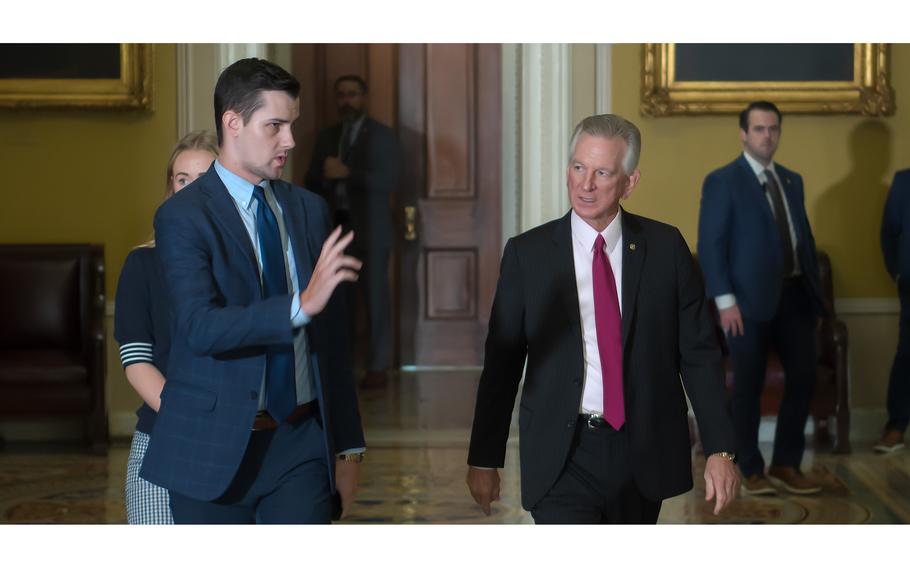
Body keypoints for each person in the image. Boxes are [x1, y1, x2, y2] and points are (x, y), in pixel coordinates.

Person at [466, 114, 739, 524]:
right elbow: (502, 365)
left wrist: (720, 450)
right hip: (562, 453)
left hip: (643, 451)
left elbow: (699, 354)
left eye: (602, 172)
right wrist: (484, 458)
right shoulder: (528, 255)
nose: (585, 184)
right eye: (578, 167)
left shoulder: (666, 249)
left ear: (629, 182)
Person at [140, 58, 365, 524]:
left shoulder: (309, 210)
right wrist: (297, 307)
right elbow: (200, 328)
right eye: (276, 126)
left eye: (292, 125)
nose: (291, 140)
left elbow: (332, 341)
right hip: (209, 448)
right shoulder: (182, 217)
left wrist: (349, 448)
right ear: (234, 123)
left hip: (300, 443)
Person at [698, 101, 827, 496]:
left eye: (773, 128)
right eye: (758, 129)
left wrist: (814, 293)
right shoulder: (723, 181)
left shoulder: (792, 180)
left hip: (794, 296)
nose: (767, 135)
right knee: (747, 387)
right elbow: (710, 245)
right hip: (745, 304)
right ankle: (749, 468)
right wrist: (724, 301)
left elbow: (799, 236)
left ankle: (787, 463)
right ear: (743, 134)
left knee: (804, 377)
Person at [114, 130, 218, 524]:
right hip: (164, 436)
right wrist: (191, 417)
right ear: (170, 188)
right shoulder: (142, 265)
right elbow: (136, 359)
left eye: (205, 178)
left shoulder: (250, 266)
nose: (191, 191)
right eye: (181, 180)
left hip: (238, 440)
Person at [305, 74, 399, 388]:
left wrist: (349, 173)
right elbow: (310, 181)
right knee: (337, 302)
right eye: (341, 95)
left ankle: (377, 368)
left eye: (353, 94)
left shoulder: (384, 136)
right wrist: (325, 175)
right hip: (335, 231)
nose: (347, 100)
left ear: (364, 97)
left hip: (372, 232)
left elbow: (391, 180)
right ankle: (340, 366)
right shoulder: (327, 136)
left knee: (376, 301)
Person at [878, 168, 910, 453]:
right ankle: (896, 427)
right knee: (907, 353)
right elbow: (889, 233)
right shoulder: (903, 181)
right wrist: (898, 274)